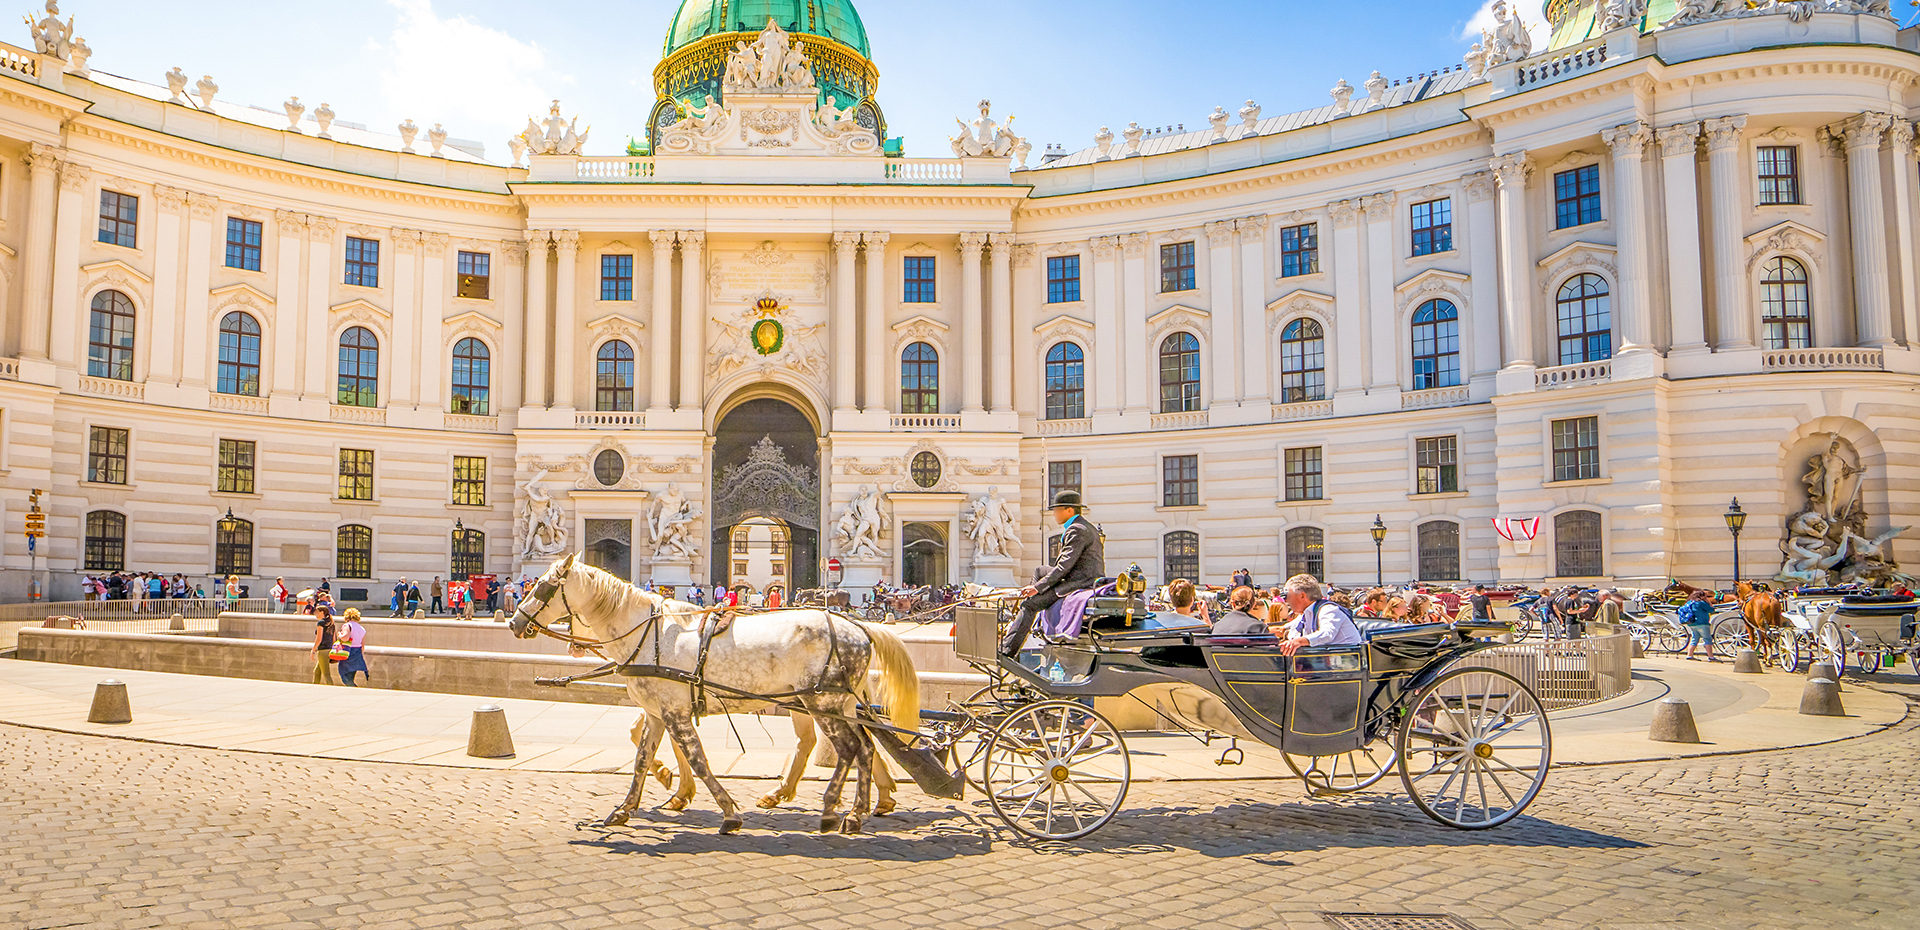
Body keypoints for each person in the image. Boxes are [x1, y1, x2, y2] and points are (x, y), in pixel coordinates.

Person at [998, 490, 1106, 657]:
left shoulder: (1077, 530)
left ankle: (1006, 651)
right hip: (1079, 575)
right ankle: (1032, 610)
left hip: (1079, 581)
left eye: (1056, 510)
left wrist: (1038, 588)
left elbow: (1064, 567)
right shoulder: (1082, 526)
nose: (1054, 514)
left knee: (1030, 605)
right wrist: (1037, 586)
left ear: (1069, 510)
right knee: (1040, 570)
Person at [1276, 574, 1364, 656]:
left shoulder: (1328, 609)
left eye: (1288, 596)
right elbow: (1290, 629)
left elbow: (1327, 634)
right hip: (1324, 660)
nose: (1286, 601)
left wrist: (1299, 641)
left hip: (1346, 660)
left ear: (1302, 596)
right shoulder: (1306, 613)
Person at [1679, 590, 1717, 661]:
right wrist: (1708, 602)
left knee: (1694, 639)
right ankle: (1711, 657)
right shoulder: (1701, 603)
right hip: (1702, 623)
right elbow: (1711, 610)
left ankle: (1689, 655)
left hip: (1692, 623)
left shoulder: (1689, 603)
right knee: (1707, 639)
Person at [337, 608, 369, 686]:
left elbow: (345, 637)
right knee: (351, 675)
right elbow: (362, 644)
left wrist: (339, 635)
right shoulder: (361, 628)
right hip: (357, 652)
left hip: (348, 651)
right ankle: (352, 689)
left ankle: (354, 688)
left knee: (344, 675)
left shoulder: (347, 625)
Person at [309, 606, 339, 685]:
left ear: (322, 612)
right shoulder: (331, 622)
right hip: (328, 649)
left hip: (322, 650)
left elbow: (319, 638)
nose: (315, 614)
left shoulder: (321, 623)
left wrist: (313, 650)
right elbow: (334, 639)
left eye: (316, 612)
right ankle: (314, 687)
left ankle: (331, 688)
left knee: (326, 674)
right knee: (317, 671)